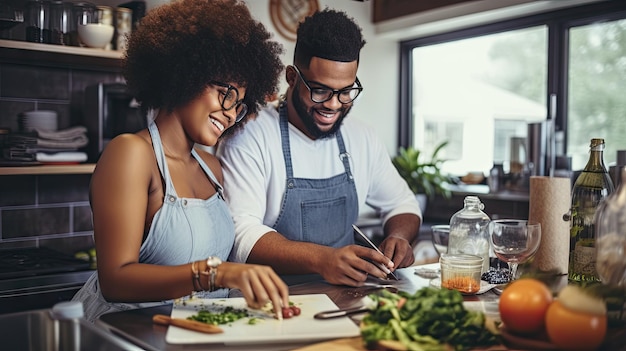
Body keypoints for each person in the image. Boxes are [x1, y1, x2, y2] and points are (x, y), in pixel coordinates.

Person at [72, 0, 289, 323]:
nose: (231, 112)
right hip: (127, 334)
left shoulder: (211, 169)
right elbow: (115, 280)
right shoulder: (131, 154)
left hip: (196, 333)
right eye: (226, 93)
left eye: (240, 104)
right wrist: (217, 273)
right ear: (186, 73)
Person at [217, 9, 422, 287]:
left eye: (346, 91)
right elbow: (241, 232)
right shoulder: (250, 135)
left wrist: (398, 236)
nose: (334, 105)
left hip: (346, 299)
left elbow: (402, 204)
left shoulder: (362, 137)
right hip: (272, 301)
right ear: (291, 77)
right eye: (320, 90)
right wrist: (322, 259)